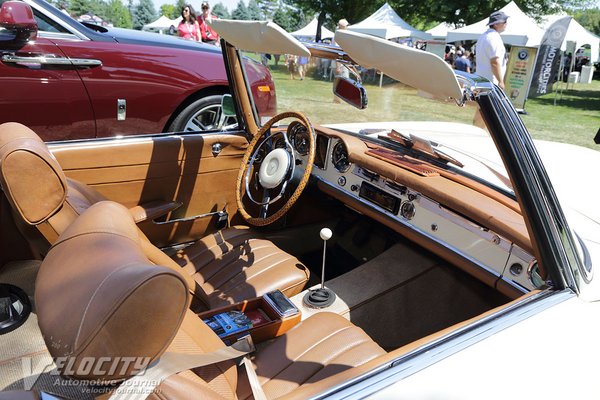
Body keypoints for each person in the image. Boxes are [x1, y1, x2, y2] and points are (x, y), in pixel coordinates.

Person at [475, 10, 509, 90]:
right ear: (496, 24)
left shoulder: (483, 36)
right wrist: (500, 81)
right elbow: (494, 62)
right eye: (504, 21)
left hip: (482, 79)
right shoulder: (494, 38)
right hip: (491, 82)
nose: (506, 24)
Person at [333, 19, 349, 102]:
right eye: (346, 26)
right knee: (342, 80)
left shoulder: (341, 34)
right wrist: (338, 66)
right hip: (339, 62)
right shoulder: (338, 36)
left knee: (342, 80)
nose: (347, 27)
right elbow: (338, 52)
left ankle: (338, 98)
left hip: (342, 62)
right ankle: (337, 99)